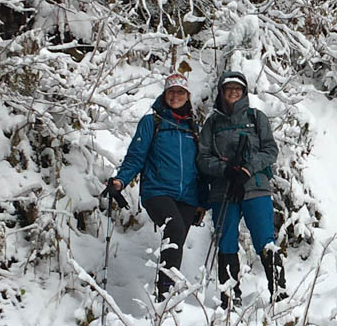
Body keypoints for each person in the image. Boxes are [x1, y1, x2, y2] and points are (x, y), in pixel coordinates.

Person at [104, 73, 206, 301]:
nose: (175, 96)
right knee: (175, 228)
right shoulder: (152, 122)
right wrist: (120, 181)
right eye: (171, 92)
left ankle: (166, 300)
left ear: (187, 96)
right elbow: (136, 157)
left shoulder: (193, 128)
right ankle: (165, 294)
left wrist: (202, 201)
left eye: (180, 92)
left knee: (176, 240)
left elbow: (200, 168)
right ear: (165, 94)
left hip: (188, 197)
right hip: (157, 191)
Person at [198, 70, 285, 308]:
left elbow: (270, 151)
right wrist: (225, 170)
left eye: (238, 89)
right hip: (223, 191)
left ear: (244, 92)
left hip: (255, 188)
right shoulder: (212, 123)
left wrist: (246, 169)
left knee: (265, 240)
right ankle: (229, 296)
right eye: (229, 89)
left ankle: (279, 293)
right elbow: (202, 158)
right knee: (226, 241)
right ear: (222, 92)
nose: (233, 92)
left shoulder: (257, 118)